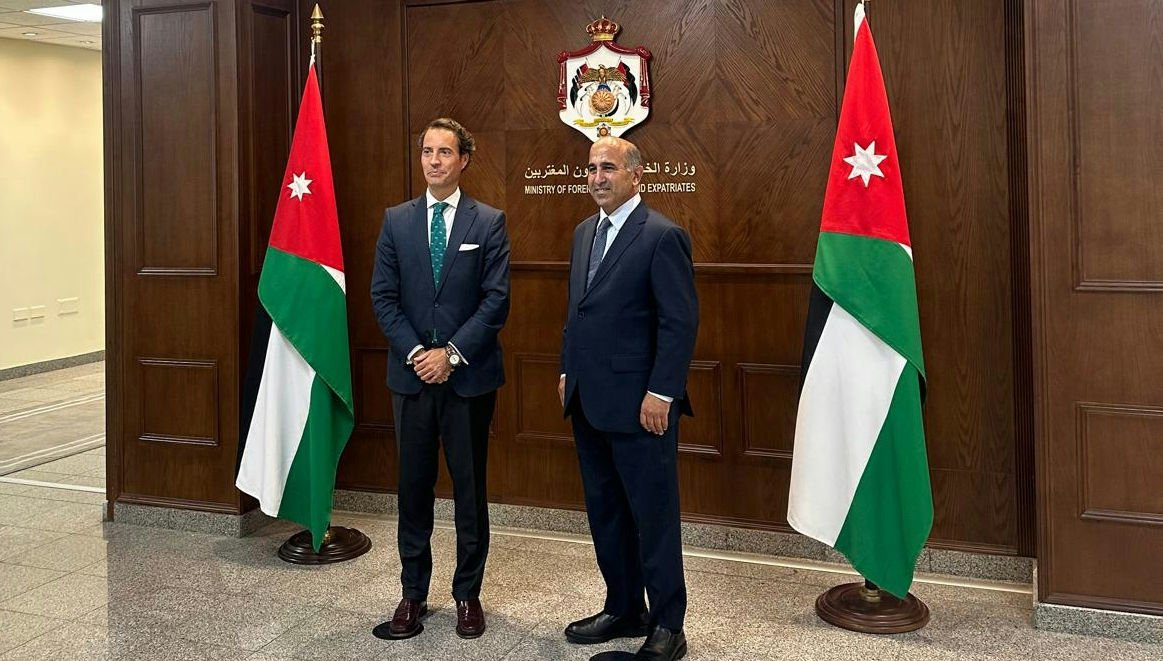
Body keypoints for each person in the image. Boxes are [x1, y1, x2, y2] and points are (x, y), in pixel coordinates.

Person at [558, 136, 698, 661]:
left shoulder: (662, 235)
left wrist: (662, 392)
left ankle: (668, 626)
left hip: (643, 407)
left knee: (653, 519)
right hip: (587, 400)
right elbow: (578, 311)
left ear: (636, 175)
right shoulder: (583, 233)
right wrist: (567, 370)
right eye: (591, 168)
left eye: (609, 168)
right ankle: (623, 608)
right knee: (607, 513)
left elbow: (679, 322)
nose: (597, 177)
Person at [370, 117, 510, 641]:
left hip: (467, 380)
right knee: (412, 489)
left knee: (470, 490)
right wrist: (417, 354)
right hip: (411, 380)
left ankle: (467, 594)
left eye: (444, 152)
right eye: (427, 151)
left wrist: (450, 355)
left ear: (463, 159)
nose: (433, 160)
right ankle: (413, 593)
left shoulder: (489, 222)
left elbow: (496, 301)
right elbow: (383, 297)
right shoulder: (396, 221)